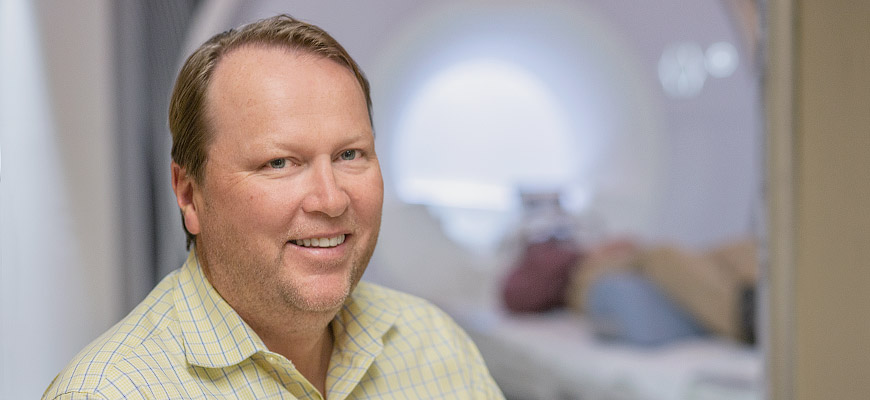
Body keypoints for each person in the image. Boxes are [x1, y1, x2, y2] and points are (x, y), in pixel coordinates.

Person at [43, 14, 503, 399]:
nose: (331, 199)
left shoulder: (434, 345)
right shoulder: (109, 392)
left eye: (350, 155)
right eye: (279, 162)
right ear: (188, 194)